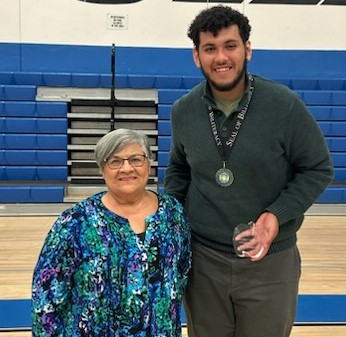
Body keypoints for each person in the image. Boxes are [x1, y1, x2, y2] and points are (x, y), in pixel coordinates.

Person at [164, 5, 334, 337]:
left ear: (248, 49)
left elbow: (317, 168)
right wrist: (168, 221)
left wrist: (276, 214)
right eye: (210, 48)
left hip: (270, 262)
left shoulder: (284, 105)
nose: (221, 57)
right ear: (197, 56)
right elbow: (179, 170)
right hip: (204, 262)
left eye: (230, 45)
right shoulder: (183, 110)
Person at [32, 128, 191, 337]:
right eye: (115, 161)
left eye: (135, 159)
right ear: (102, 169)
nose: (127, 168)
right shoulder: (76, 222)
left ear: (148, 164)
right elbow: (46, 294)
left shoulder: (173, 214)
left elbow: (181, 272)